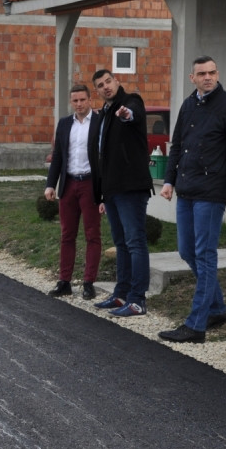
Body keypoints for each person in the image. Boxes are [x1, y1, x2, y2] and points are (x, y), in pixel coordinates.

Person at [158, 56, 226, 343]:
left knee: (205, 254)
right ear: (192, 77)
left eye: (212, 72)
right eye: (202, 73)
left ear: (217, 74)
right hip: (186, 189)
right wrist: (169, 180)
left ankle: (196, 325)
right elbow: (177, 146)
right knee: (186, 251)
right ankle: (218, 309)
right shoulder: (188, 104)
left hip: (211, 191)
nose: (208, 77)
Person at [88, 69, 154, 317]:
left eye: (108, 82)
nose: (106, 87)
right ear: (97, 91)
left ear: (117, 81)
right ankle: (121, 294)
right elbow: (101, 154)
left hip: (131, 187)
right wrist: (102, 194)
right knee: (121, 243)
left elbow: (133, 115)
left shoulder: (131, 101)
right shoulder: (103, 114)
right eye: (100, 85)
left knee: (135, 242)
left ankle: (137, 299)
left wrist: (126, 115)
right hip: (112, 189)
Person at [44, 84, 101, 300]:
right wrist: (51, 184)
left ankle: (88, 282)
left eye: (82, 100)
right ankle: (64, 281)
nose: (79, 104)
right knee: (67, 234)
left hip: (89, 184)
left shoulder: (98, 122)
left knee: (92, 234)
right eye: (75, 100)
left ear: (89, 100)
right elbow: (58, 155)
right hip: (68, 184)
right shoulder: (64, 124)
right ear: (71, 102)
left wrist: (103, 191)